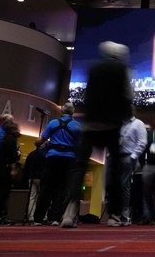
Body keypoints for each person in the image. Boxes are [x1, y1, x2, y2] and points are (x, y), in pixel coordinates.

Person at [61, 41, 133, 228]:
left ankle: (70, 210)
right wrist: (123, 118)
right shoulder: (122, 69)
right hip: (111, 125)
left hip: (90, 124)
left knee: (79, 167)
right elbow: (127, 97)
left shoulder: (93, 68)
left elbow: (87, 95)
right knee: (114, 169)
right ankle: (114, 214)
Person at [33, 102, 81, 225]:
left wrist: (37, 143)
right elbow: (81, 144)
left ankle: (38, 218)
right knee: (62, 189)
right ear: (72, 113)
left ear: (62, 111)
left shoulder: (53, 123)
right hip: (68, 158)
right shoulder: (77, 126)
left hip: (52, 157)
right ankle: (54, 218)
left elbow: (41, 141)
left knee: (46, 188)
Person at [116, 106, 147, 226]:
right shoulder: (122, 124)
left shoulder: (138, 124)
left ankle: (125, 215)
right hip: (118, 157)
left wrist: (133, 157)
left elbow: (142, 142)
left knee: (125, 185)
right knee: (116, 185)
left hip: (129, 157)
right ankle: (118, 213)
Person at [23, 142, 46, 224]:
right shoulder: (45, 154)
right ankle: (42, 216)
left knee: (32, 197)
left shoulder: (31, 154)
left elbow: (26, 168)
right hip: (42, 178)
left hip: (31, 177)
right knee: (42, 197)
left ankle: (31, 216)